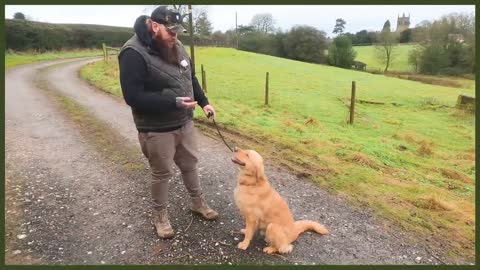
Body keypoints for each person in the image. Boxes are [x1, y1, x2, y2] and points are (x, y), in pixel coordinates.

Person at [118, 6, 218, 239]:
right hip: (156, 129)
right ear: (154, 26)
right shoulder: (132, 52)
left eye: (178, 30)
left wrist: (204, 103)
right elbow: (132, 97)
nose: (175, 35)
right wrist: (172, 102)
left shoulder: (177, 45)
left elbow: (189, 77)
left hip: (184, 122)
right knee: (162, 173)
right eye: (170, 30)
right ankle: (160, 216)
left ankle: (198, 203)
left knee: (190, 164)